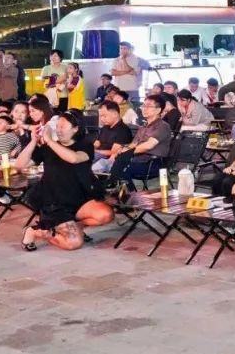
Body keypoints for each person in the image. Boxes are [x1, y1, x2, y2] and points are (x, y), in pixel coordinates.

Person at [15, 111, 112, 251]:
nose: (58, 130)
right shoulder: (48, 148)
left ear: (75, 128)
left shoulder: (85, 145)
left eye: (63, 126)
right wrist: (33, 141)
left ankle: (76, 227)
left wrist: (49, 141)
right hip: (55, 202)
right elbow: (19, 165)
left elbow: (73, 158)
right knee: (73, 243)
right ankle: (36, 232)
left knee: (105, 214)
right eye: (57, 126)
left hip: (80, 198)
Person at [112, 95, 175, 191]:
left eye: (148, 106)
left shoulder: (162, 126)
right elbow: (134, 144)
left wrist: (128, 152)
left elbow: (149, 145)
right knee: (116, 164)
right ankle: (124, 194)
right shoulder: (144, 126)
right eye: (143, 106)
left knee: (121, 168)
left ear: (158, 110)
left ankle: (131, 195)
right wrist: (123, 149)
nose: (144, 109)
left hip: (153, 163)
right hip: (139, 160)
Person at [89, 102, 133, 174]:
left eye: (104, 116)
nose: (101, 119)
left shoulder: (123, 130)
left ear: (115, 114)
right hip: (98, 154)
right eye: (100, 116)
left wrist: (96, 151)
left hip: (107, 159)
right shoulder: (105, 127)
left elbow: (113, 152)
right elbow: (97, 143)